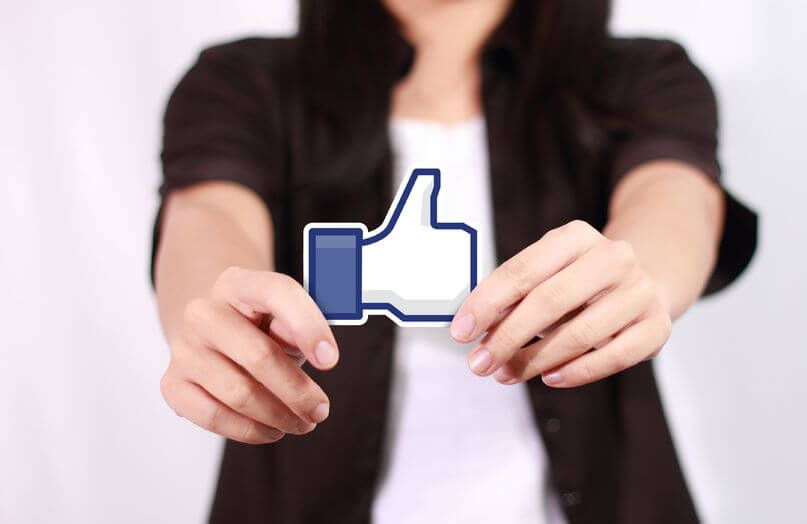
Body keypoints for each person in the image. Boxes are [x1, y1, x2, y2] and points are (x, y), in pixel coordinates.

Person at [151, 1, 757, 522]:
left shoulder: (643, 76)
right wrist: (214, 312)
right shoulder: (242, 81)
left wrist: (643, 274)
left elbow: (674, 199)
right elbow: (210, 215)